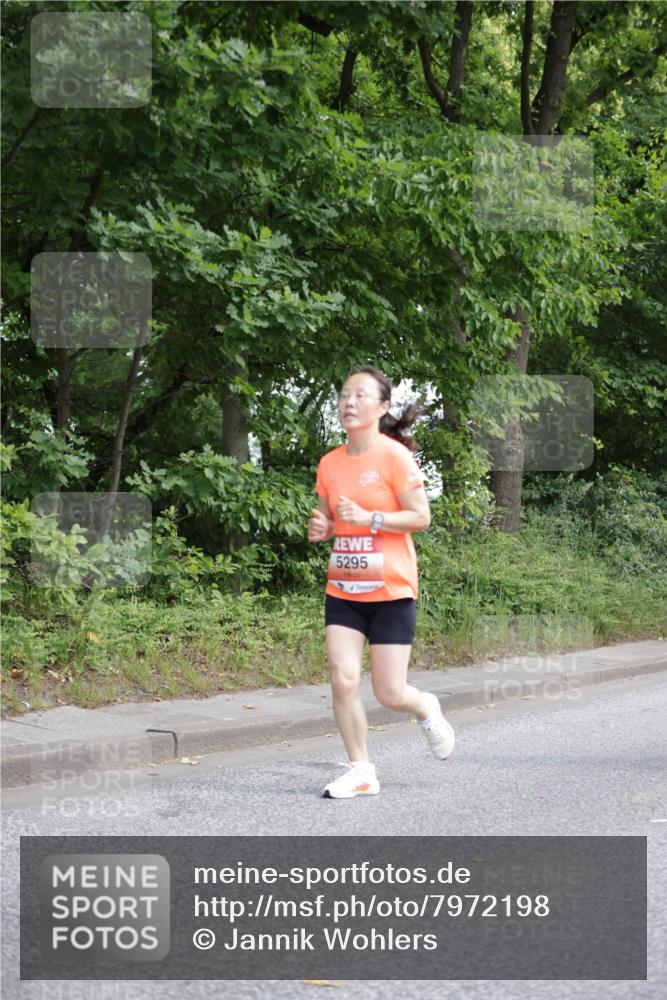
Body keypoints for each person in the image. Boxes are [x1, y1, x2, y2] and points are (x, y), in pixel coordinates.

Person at [307, 365, 455, 799]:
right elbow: (330, 518)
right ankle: (361, 770)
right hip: (345, 589)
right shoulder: (330, 463)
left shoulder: (394, 457)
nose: (349, 403)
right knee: (342, 677)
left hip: (391, 590)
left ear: (382, 406)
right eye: (344, 395)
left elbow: (421, 517)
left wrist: (371, 517)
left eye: (360, 395)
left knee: (390, 693)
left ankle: (426, 706)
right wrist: (325, 528)